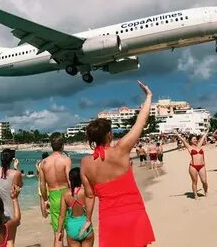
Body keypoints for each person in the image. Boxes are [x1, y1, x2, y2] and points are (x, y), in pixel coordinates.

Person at [80, 81, 155, 247]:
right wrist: (149, 96)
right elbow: (140, 122)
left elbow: (90, 196)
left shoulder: (85, 164)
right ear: (109, 134)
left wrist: (87, 220)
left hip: (110, 218)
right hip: (134, 213)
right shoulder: (121, 150)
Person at [39, 133, 72, 247]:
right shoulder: (66, 160)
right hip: (66, 194)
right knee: (71, 232)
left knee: (58, 233)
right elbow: (70, 180)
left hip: (53, 196)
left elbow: (42, 185)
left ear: (51, 145)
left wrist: (45, 199)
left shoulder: (43, 163)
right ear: (62, 145)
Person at [0, 149, 23, 247]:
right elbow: (20, 186)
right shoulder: (16, 174)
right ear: (12, 160)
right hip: (10, 212)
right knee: (10, 241)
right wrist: (16, 168)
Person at [57, 167, 94, 247]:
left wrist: (59, 231)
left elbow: (62, 215)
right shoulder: (85, 192)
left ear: (70, 179)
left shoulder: (65, 194)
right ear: (81, 178)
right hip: (85, 226)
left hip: (72, 228)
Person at [175, 129, 209, 199]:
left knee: (204, 181)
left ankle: (206, 192)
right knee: (194, 181)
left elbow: (203, 138)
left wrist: (206, 132)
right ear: (190, 141)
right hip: (193, 166)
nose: (195, 140)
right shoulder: (189, 147)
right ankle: (195, 195)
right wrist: (177, 134)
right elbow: (183, 140)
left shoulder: (199, 146)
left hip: (202, 166)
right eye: (194, 139)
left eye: (196, 139)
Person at [36, 152, 50, 218]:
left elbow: (38, 175)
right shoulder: (49, 163)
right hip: (48, 182)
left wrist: (36, 166)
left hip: (41, 182)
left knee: (41, 198)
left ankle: (44, 214)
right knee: (49, 197)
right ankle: (49, 210)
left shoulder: (40, 164)